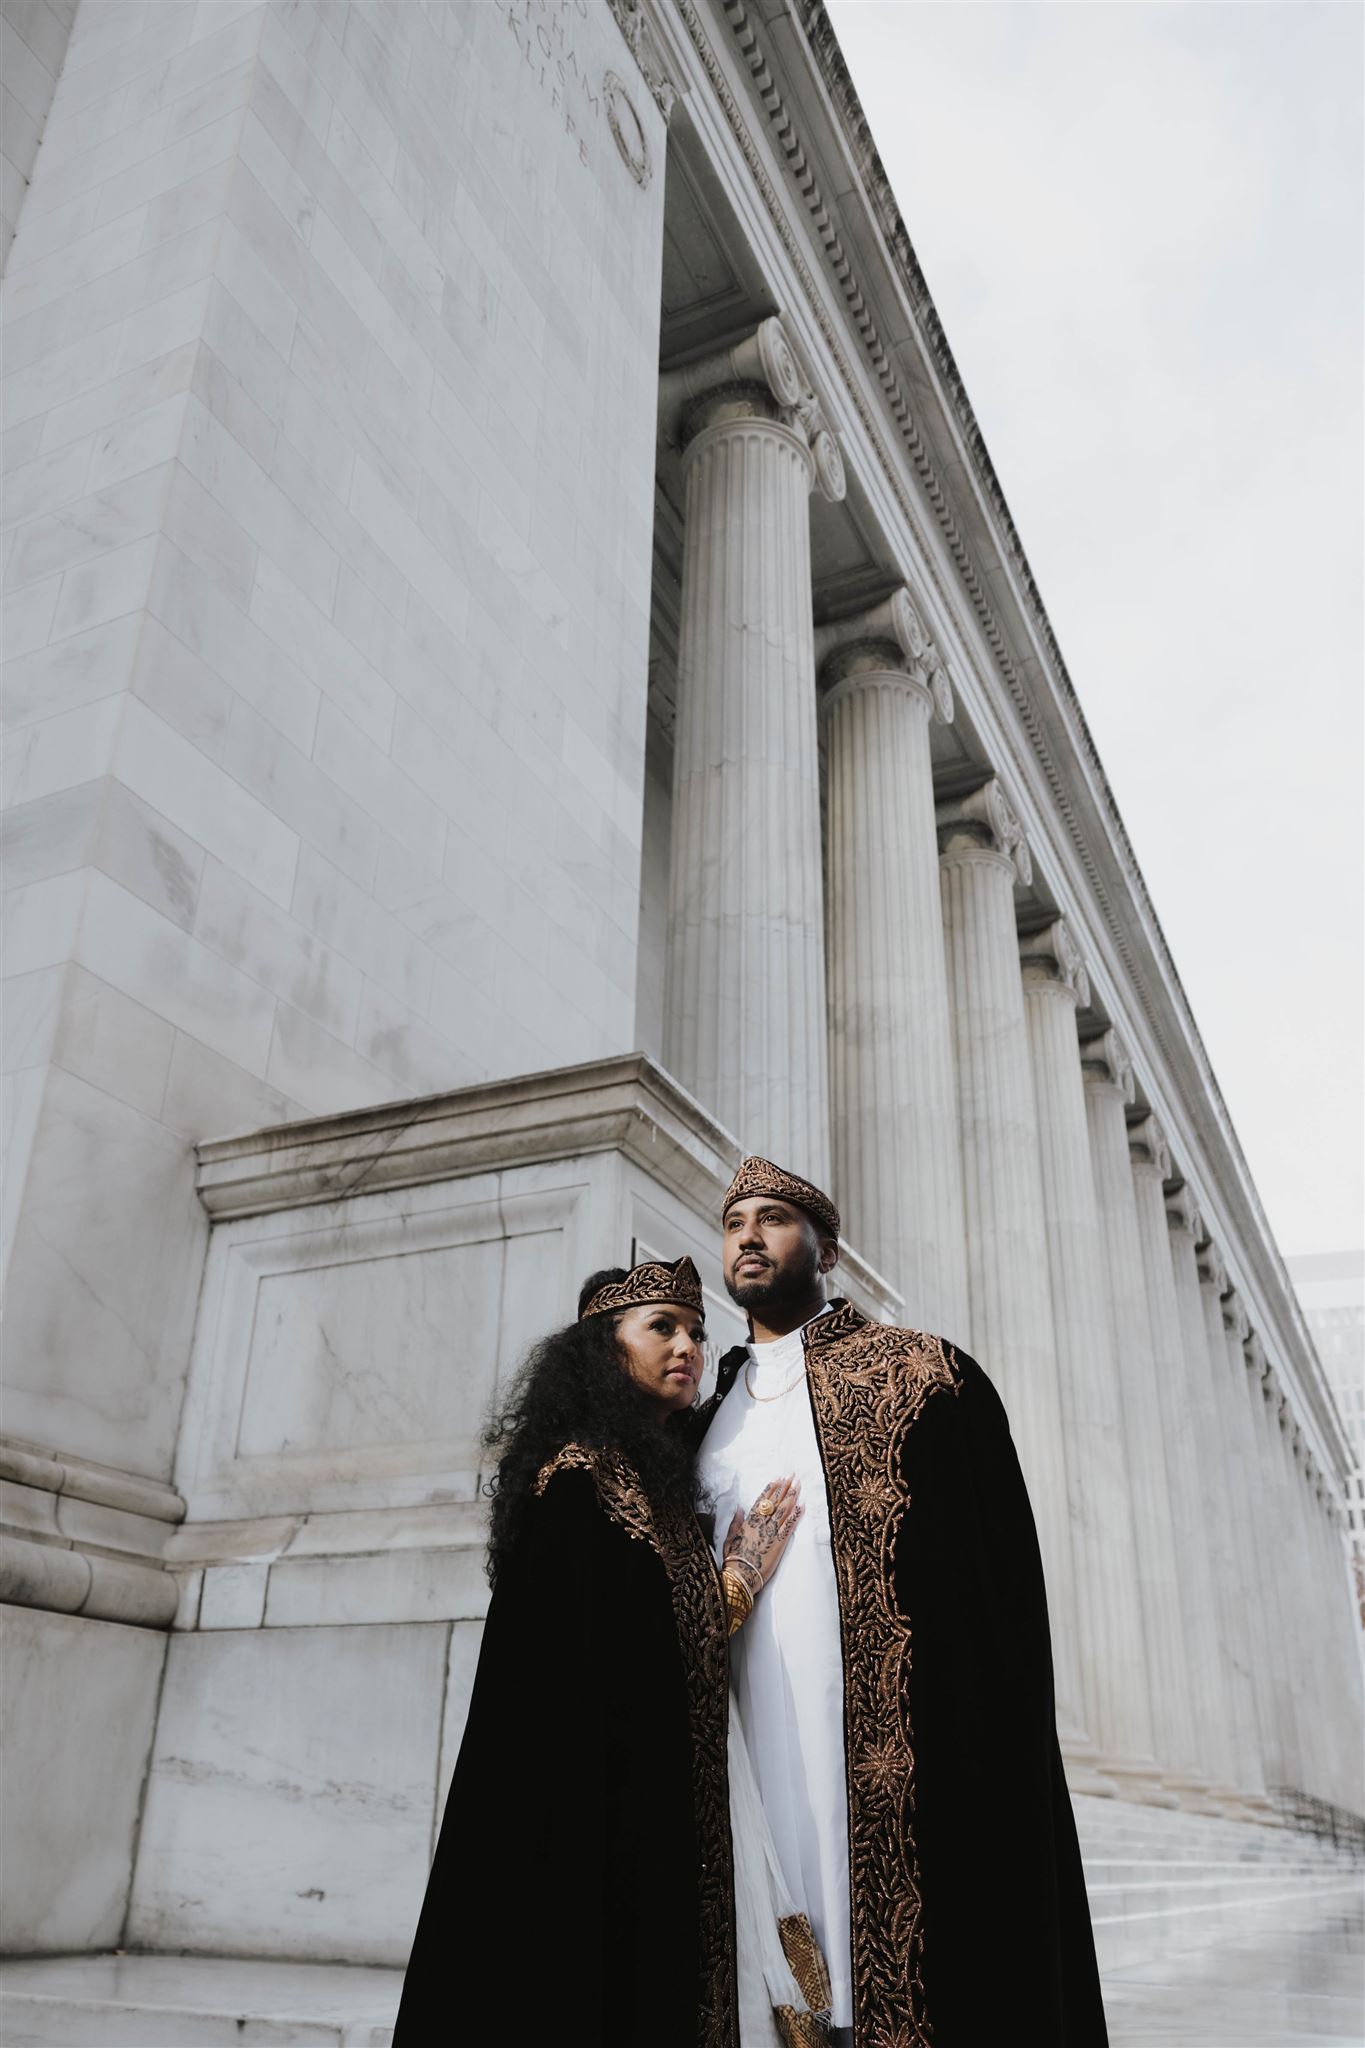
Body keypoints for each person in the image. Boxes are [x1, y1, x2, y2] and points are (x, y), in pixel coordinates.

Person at [696, 1157, 1110, 2047]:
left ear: (826, 1248)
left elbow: (992, 1598)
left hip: (887, 1748)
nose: (748, 1237)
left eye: (772, 1219)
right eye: (734, 1224)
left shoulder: (921, 1379)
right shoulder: (703, 1410)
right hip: (739, 1736)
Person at [393, 1254, 829, 2047]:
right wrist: (735, 1580)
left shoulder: (646, 1482)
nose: (688, 1346)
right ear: (602, 1349)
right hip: (583, 1812)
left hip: (649, 1800)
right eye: (660, 1327)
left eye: (696, 1330)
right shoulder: (577, 1483)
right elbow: (614, 1653)